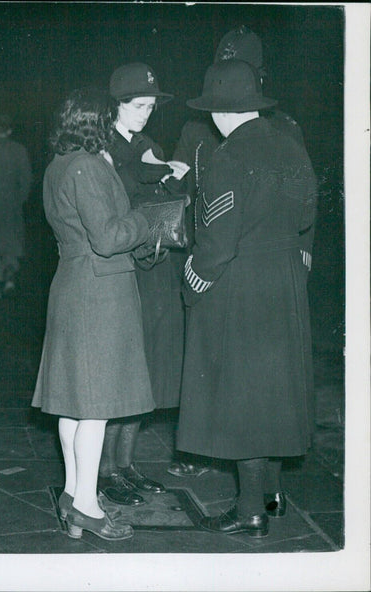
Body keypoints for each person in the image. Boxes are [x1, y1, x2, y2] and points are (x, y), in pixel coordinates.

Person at [178, 59, 318, 537]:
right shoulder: (290, 146)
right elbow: (305, 216)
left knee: (243, 399)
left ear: (218, 112)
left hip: (241, 286)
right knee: (275, 392)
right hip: (284, 282)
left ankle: (249, 510)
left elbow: (216, 243)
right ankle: (273, 495)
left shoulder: (228, 157)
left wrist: (192, 282)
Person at [32, 87, 156, 541]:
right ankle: (86, 505)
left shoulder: (58, 164)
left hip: (72, 285)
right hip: (99, 292)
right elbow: (106, 238)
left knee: (73, 404)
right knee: (97, 408)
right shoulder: (86, 166)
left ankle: (71, 493)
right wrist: (146, 219)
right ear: (96, 122)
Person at [97, 63, 187, 507]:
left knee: (146, 368)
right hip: (121, 269)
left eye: (151, 106)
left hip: (154, 267)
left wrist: (171, 177)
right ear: (116, 105)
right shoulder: (102, 149)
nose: (145, 114)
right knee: (118, 368)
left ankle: (126, 465)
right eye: (137, 106)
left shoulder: (150, 146)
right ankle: (103, 469)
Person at [0, 113, 32, 299]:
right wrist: (20, 200)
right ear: (9, 131)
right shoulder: (19, 150)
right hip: (12, 205)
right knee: (11, 241)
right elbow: (26, 180)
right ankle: (9, 277)